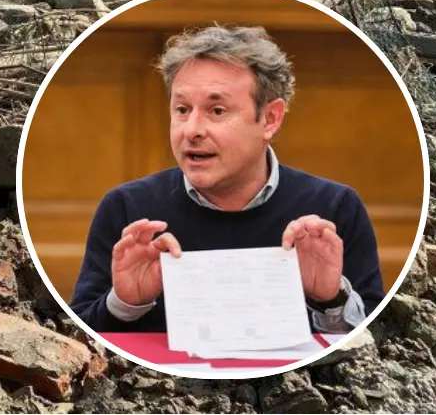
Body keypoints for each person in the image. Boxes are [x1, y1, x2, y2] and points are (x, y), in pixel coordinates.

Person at [69, 25, 382, 334]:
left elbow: (380, 341)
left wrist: (330, 299)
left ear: (270, 119)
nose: (191, 130)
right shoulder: (127, 210)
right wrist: (124, 303)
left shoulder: (335, 209)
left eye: (216, 111)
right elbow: (73, 338)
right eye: (181, 109)